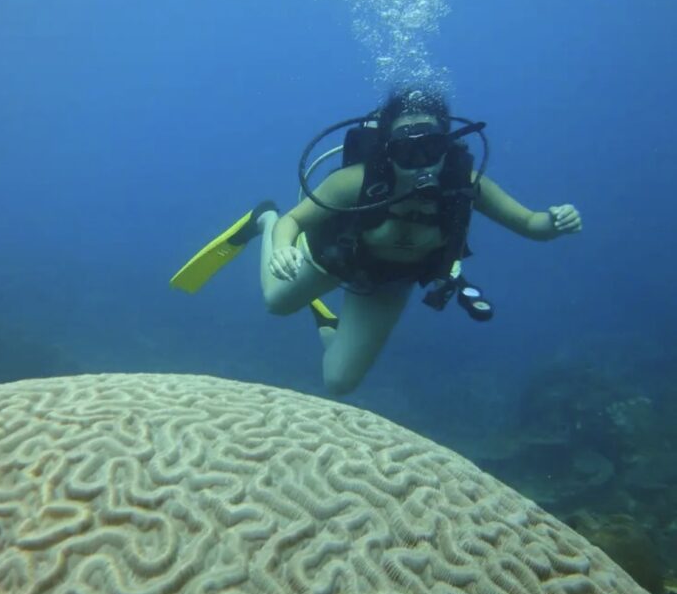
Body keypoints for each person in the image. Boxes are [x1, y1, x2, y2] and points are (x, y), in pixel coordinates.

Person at [170, 87, 581, 394]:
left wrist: (555, 221)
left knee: (339, 382)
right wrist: (279, 246)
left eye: (432, 147)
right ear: (388, 150)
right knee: (276, 304)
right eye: (407, 151)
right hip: (330, 260)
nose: (421, 162)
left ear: (448, 145)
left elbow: (530, 224)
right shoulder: (355, 181)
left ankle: (330, 322)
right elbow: (294, 223)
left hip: (389, 284)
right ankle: (262, 216)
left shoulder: (467, 185)